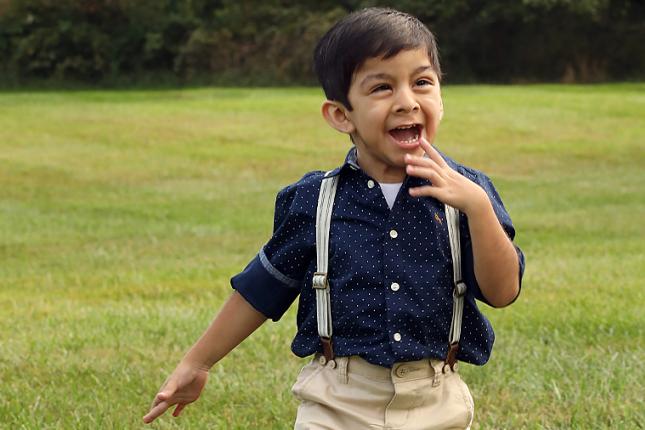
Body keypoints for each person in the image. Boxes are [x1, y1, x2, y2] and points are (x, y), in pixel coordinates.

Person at [143, 7, 525, 429]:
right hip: (337, 398)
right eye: (382, 87)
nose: (406, 101)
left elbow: (503, 291)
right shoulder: (315, 200)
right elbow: (261, 290)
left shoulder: (470, 194)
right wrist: (197, 362)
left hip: (435, 399)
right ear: (342, 115)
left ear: (440, 96)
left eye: (421, 82)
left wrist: (478, 209)